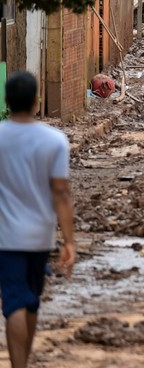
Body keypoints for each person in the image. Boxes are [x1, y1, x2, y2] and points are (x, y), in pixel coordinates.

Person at [0, 71, 75, 368]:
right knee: (30, 302)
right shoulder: (55, 141)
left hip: (6, 237)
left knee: (15, 302)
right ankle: (23, 363)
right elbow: (61, 193)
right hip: (40, 236)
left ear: (6, 101)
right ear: (36, 101)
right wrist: (69, 240)